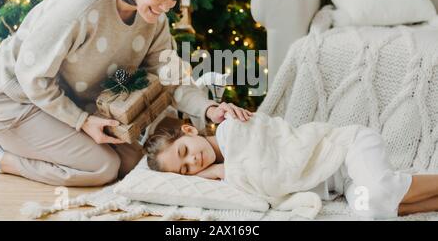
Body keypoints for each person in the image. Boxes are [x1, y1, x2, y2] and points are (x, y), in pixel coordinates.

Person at [0, 0, 248, 187]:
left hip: (63, 101)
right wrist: (82, 121)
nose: (166, 7)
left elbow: (171, 78)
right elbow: (32, 77)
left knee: (133, 163)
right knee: (103, 167)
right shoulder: (80, 4)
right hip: (13, 98)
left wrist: (209, 108)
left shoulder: (154, 19)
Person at [144, 111, 438, 219]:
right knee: (369, 208)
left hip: (346, 149)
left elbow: (276, 170)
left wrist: (223, 171)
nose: (193, 160)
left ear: (189, 131)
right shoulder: (228, 178)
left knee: (379, 191)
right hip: (341, 183)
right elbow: (267, 200)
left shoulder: (231, 129)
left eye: (184, 151)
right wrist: (222, 174)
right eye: (185, 168)